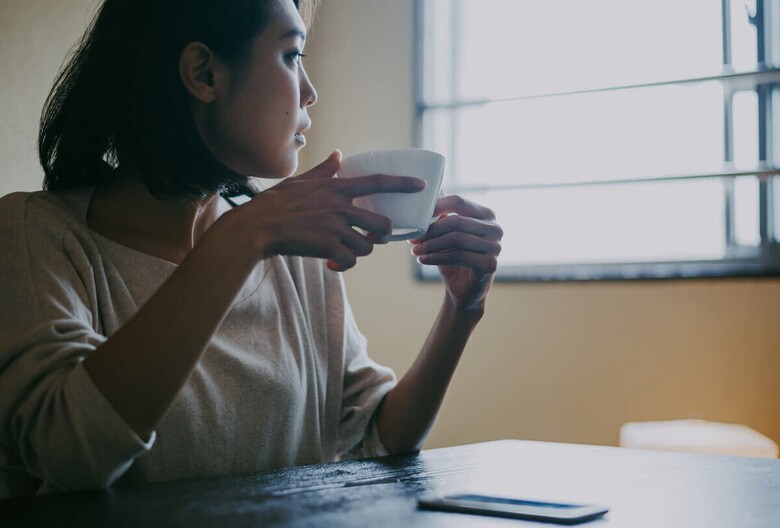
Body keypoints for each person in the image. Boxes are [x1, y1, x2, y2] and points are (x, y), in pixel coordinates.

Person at [0, 0, 502, 498]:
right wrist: (245, 235)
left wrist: (462, 310)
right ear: (203, 73)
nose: (310, 92)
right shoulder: (35, 233)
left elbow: (372, 441)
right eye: (291, 56)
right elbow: (70, 451)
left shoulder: (291, 246)